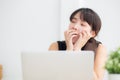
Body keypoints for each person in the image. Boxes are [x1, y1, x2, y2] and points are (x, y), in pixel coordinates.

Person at [49, 8, 107, 80]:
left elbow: (96, 79)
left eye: (82, 24)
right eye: (73, 21)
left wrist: (77, 50)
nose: (75, 27)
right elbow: (53, 76)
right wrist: (69, 49)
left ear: (92, 33)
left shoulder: (99, 48)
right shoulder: (55, 46)